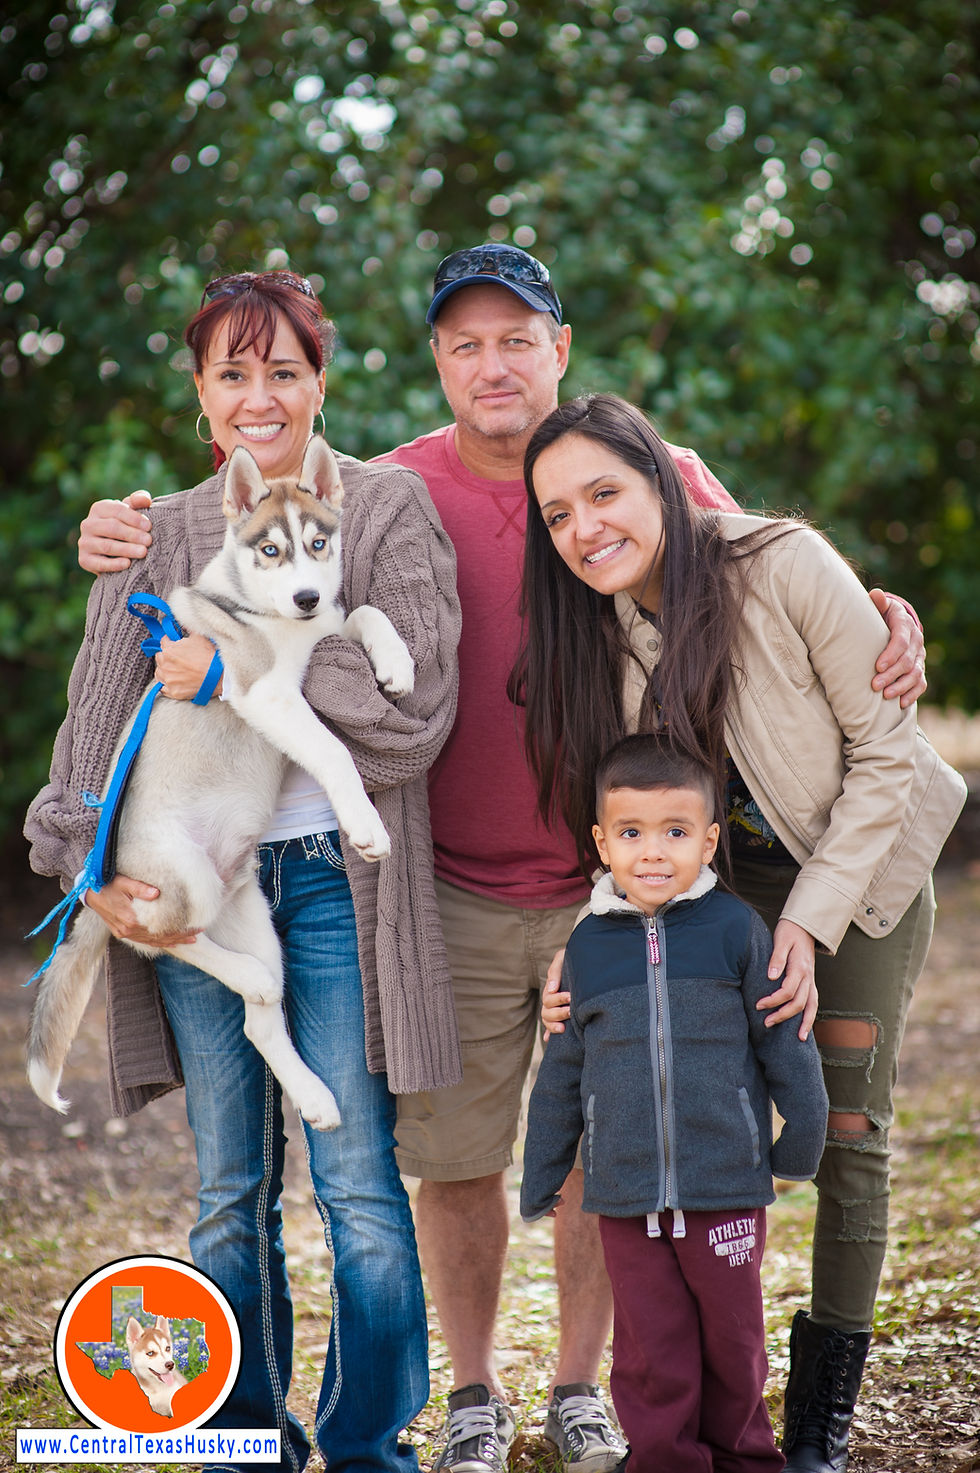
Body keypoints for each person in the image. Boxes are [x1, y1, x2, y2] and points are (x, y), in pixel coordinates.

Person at [74, 246, 928, 1473]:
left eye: (517, 339)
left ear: (559, 350)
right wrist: (130, 527)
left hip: (619, 885)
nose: (493, 364)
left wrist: (883, 607)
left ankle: (577, 1387)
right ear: (434, 362)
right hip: (450, 889)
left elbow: (766, 569)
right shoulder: (390, 492)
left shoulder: (649, 475)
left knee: (607, 1145)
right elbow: (261, 569)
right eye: (466, 343)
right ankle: (471, 1393)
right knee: (456, 1157)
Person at [26, 269, 462, 1473]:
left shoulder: (384, 513)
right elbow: (94, 718)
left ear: (320, 382)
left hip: (336, 881)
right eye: (233, 372)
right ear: (203, 395)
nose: (258, 395)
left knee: (359, 1186)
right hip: (189, 887)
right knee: (228, 1190)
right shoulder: (157, 530)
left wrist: (239, 677)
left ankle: (369, 1447)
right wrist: (87, 871)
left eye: (282, 370)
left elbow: (412, 714)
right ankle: (243, 1438)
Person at [514, 393, 966, 1473]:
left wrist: (806, 925)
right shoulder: (599, 637)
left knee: (847, 1131)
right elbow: (633, 831)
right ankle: (716, 1399)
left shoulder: (782, 564)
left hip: (863, 881)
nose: (584, 529)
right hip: (724, 897)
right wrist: (584, 954)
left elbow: (888, 754)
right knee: (700, 1116)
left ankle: (819, 1412)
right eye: (558, 515)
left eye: (604, 495)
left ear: (661, 482)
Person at [520, 735, 829, 1472]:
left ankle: (744, 1458)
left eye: (676, 832)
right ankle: (664, 1459)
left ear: (710, 840)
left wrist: (801, 1138)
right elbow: (563, 1070)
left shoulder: (734, 931)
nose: (653, 853)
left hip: (725, 1186)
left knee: (732, 1341)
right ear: (602, 842)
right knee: (651, 1348)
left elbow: (786, 1042)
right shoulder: (589, 946)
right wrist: (541, 1173)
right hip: (626, 1194)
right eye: (631, 833)